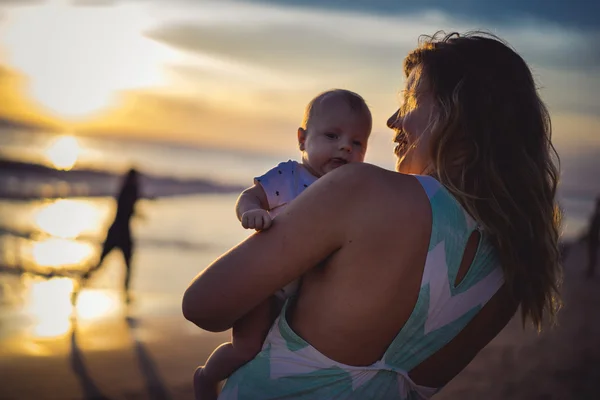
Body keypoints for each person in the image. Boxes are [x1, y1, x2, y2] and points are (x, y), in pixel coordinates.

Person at [182, 31, 563, 399]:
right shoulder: (517, 265)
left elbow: (204, 304)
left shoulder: (364, 190)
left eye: (411, 99)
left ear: (456, 110)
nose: (392, 121)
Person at [193, 89, 373, 400]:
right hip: (265, 285)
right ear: (303, 139)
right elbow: (250, 196)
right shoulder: (290, 175)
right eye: (332, 135)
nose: (345, 146)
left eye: (357, 143)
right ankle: (207, 377)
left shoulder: (350, 192)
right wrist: (251, 212)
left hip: (307, 297)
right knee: (247, 348)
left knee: (285, 356)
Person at [80, 168, 141, 303]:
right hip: (121, 232)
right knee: (123, 265)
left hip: (115, 231)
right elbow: (125, 212)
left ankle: (83, 281)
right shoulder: (130, 191)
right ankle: (83, 280)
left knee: (107, 263)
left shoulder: (125, 190)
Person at [586, 197, 600, 277]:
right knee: (591, 254)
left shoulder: (597, 215)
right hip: (592, 237)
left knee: (592, 254)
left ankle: (591, 271)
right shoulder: (596, 215)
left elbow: (594, 228)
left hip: (594, 238)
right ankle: (590, 270)